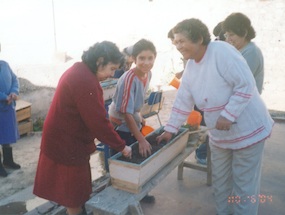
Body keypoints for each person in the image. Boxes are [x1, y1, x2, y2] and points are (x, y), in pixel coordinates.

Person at [157, 18, 274, 215]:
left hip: (247, 128)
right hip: (220, 136)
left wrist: (228, 114)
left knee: (244, 187)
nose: (178, 46)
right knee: (221, 184)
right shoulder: (191, 66)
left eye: (182, 41)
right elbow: (182, 101)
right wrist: (170, 129)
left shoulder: (222, 52)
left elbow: (246, 84)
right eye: (175, 42)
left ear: (199, 38)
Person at [33, 41, 132, 215]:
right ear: (100, 61)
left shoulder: (80, 70)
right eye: (111, 68)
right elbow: (98, 123)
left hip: (65, 138)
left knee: (76, 189)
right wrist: (122, 146)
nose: (112, 74)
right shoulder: (84, 80)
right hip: (65, 143)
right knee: (73, 194)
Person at [108, 38, 157, 203]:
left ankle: (138, 194)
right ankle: (122, 201)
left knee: (136, 158)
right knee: (123, 161)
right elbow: (125, 113)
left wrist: (140, 116)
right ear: (134, 60)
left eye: (150, 58)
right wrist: (141, 138)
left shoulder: (148, 74)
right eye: (141, 58)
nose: (146, 62)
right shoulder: (129, 78)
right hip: (119, 124)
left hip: (131, 117)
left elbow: (135, 104)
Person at [195, 21, 226, 165]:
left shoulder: (219, 52)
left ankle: (204, 152)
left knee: (208, 129)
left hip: (210, 101)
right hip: (205, 99)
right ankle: (201, 153)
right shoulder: (214, 52)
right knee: (206, 129)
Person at [223, 12, 264, 94]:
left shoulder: (251, 52)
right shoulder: (237, 51)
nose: (228, 39)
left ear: (244, 33)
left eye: (231, 35)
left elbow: (235, 81)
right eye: (226, 35)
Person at [0, 60, 21, 177]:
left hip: (8, 108)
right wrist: (4, 97)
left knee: (6, 136)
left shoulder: (5, 64)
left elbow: (14, 79)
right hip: (2, 103)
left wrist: (14, 92)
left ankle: (8, 161)